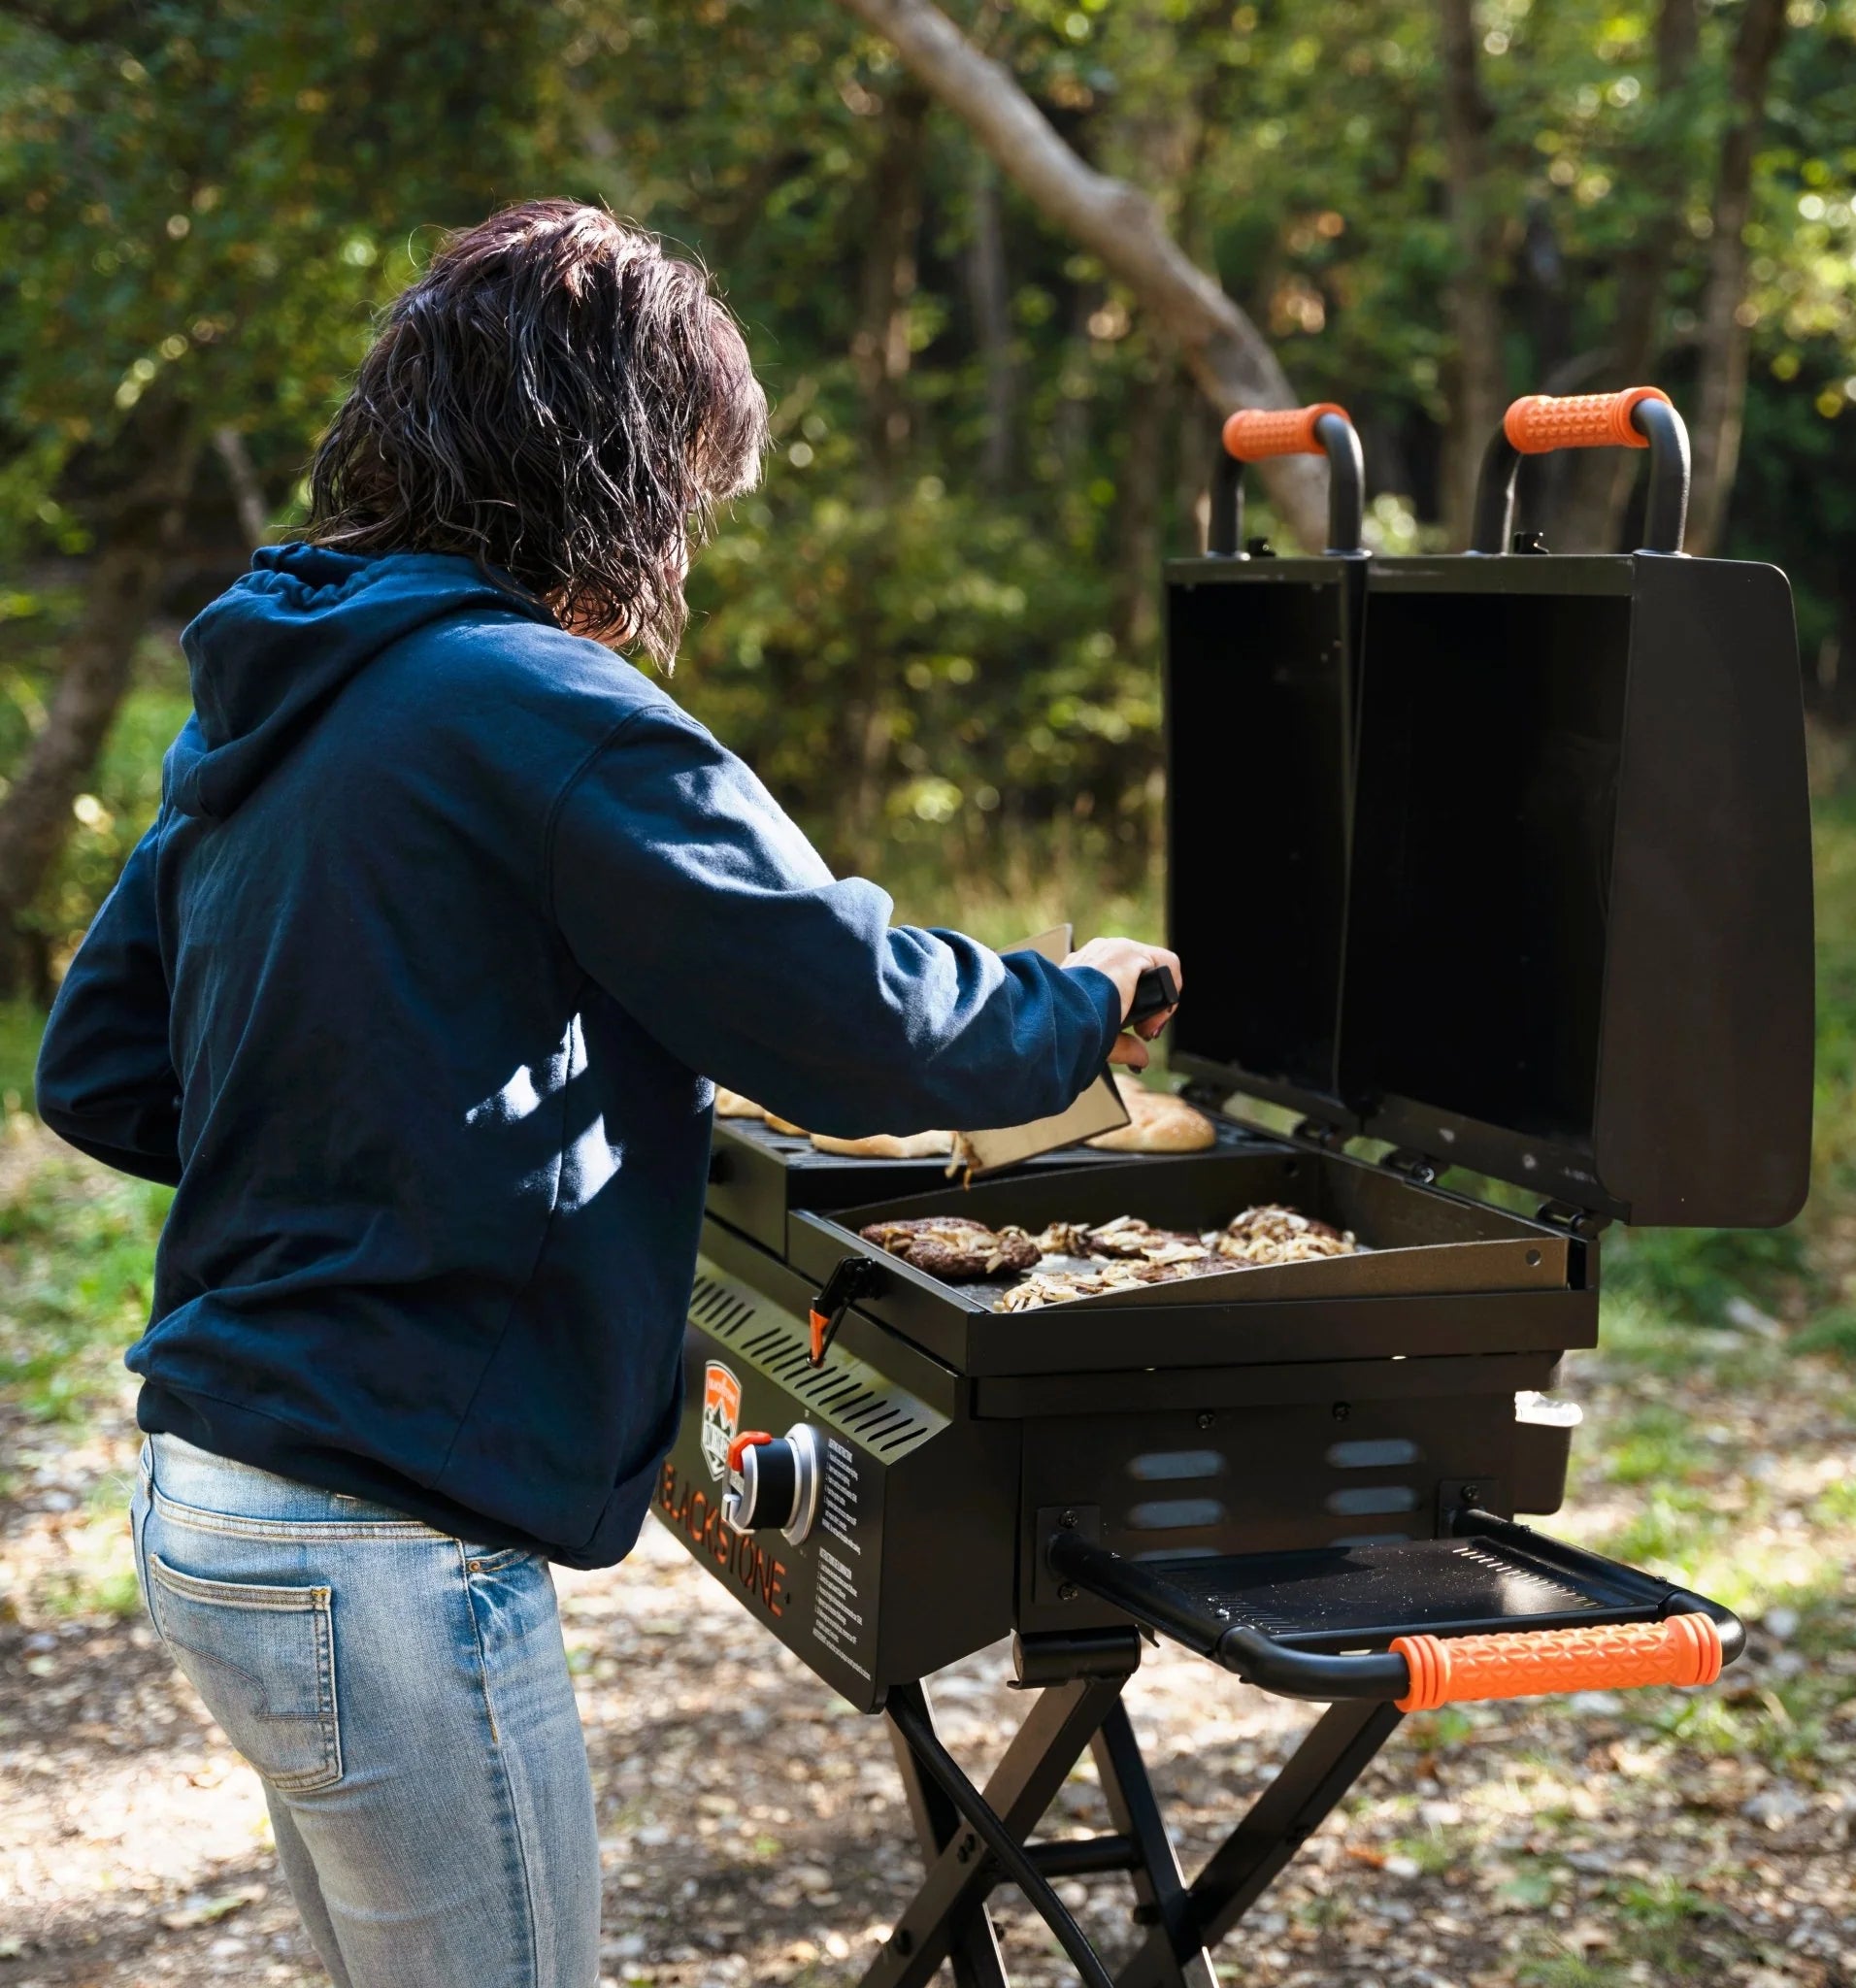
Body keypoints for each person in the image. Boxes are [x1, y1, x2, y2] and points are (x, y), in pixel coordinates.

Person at [33, 200, 1179, 1988]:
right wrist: (1072, 1005)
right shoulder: (541, 709)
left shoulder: (280, 689)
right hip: (382, 1547)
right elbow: (856, 1023)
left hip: (218, 1503)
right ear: (617, 477)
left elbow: (103, 1069)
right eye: (692, 498)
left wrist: (398, 1127)